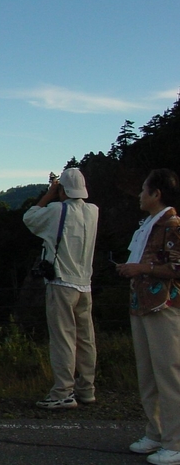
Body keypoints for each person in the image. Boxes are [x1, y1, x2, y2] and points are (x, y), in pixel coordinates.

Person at [116, 169, 180, 465]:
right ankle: (155, 432)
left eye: (144, 190)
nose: (140, 195)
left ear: (157, 194)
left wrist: (142, 269)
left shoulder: (172, 224)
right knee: (148, 374)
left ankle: (175, 442)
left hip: (163, 306)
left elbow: (177, 268)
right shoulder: (149, 225)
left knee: (169, 375)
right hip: (142, 304)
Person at [23, 168, 98, 409]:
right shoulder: (93, 211)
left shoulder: (57, 210)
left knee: (63, 338)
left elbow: (30, 217)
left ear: (63, 189)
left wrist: (49, 193)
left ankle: (63, 392)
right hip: (85, 283)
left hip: (61, 282)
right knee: (85, 338)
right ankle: (87, 389)